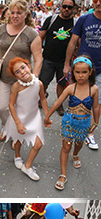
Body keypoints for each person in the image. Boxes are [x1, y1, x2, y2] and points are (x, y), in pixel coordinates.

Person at [0, 0, 42, 139]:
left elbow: (38, 58)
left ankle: (15, 134)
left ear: (25, 14)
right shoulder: (1, 29)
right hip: (3, 77)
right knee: (2, 107)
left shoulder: (31, 34)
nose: (15, 16)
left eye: (19, 13)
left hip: (22, 80)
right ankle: (6, 126)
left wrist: (34, 77)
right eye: (12, 13)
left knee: (19, 110)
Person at [45, 56, 100, 191]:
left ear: (90, 72)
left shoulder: (94, 89)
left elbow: (96, 107)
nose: (80, 76)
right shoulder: (71, 88)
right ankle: (63, 174)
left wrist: (96, 122)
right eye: (77, 72)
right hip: (69, 123)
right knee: (66, 147)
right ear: (73, 73)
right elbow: (58, 102)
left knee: (79, 144)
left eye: (84, 72)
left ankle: (76, 154)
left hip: (84, 124)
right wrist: (47, 116)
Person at [1, 58, 48, 182]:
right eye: (17, 72)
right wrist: (18, 123)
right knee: (18, 139)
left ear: (29, 66)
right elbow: (11, 105)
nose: (22, 72)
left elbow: (42, 99)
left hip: (34, 117)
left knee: (38, 143)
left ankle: (27, 166)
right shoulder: (17, 87)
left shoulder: (39, 83)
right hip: (20, 117)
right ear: (15, 76)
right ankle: (17, 156)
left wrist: (47, 115)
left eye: (23, 67)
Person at [64, 0, 101, 150]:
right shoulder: (84, 19)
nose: (99, 3)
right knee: (77, 97)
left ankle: (89, 133)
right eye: (96, 0)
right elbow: (73, 42)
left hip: (100, 69)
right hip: (82, 67)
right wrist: (67, 64)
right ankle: (74, 124)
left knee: (96, 101)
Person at [39, 0, 76, 110]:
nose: (66, 9)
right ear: (60, 7)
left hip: (64, 60)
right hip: (48, 58)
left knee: (62, 83)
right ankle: (42, 97)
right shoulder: (51, 19)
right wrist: (39, 54)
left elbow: (76, 41)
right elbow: (41, 36)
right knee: (43, 82)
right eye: (64, 6)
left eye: (69, 7)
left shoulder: (75, 23)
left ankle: (59, 104)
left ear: (73, 9)